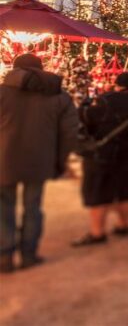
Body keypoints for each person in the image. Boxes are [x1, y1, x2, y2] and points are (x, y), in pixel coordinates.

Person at [0, 54, 78, 272]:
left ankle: (4, 256)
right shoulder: (58, 96)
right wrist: (59, 160)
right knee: (33, 207)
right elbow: (70, 131)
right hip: (40, 158)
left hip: (3, 159)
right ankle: (28, 254)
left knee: (3, 207)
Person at [73, 71, 128, 246]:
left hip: (105, 153)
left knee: (98, 191)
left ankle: (97, 233)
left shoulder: (107, 100)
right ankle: (123, 225)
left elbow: (86, 118)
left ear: (120, 86)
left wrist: (85, 105)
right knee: (126, 190)